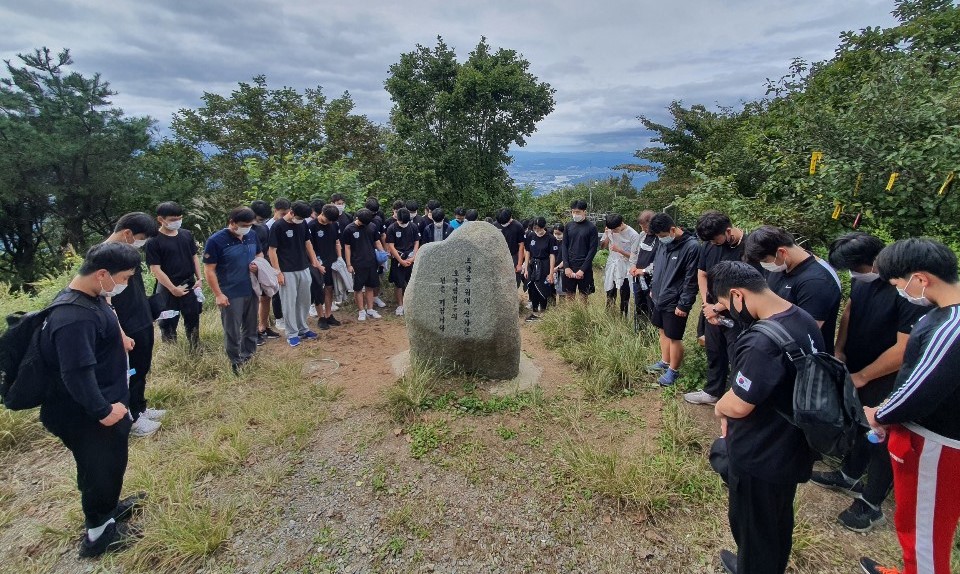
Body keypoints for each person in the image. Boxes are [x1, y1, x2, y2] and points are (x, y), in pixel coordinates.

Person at [807, 233, 928, 534]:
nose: (853, 276)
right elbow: (850, 312)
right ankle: (849, 474)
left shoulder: (908, 291)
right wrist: (840, 348)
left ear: (874, 262)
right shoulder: (864, 283)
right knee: (859, 422)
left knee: (881, 436)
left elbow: (904, 350)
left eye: (855, 269)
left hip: (887, 376)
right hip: (858, 365)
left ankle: (872, 503)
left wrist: (864, 375)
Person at [709, 261, 821, 574]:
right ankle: (752, 562)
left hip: (763, 453)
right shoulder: (801, 318)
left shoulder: (763, 341)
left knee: (754, 523)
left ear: (737, 295)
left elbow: (739, 404)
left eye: (725, 306)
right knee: (775, 522)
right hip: (791, 445)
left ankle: (754, 564)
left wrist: (720, 407)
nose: (728, 313)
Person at [859, 238, 960, 574]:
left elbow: (921, 388)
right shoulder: (944, 313)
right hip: (934, 438)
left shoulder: (950, 327)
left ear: (921, 278)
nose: (899, 290)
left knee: (925, 530)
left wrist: (879, 412)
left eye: (899, 283)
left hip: (936, 444)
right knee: (914, 520)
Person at [39, 242, 145, 557]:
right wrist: (102, 410)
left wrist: (117, 338)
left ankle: (109, 509)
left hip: (105, 403)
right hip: (87, 414)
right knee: (100, 467)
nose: (125, 282)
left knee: (109, 465)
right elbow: (75, 374)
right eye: (124, 276)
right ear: (102, 274)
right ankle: (98, 535)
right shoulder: (73, 317)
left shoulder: (90, 298)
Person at [103, 213, 164, 438]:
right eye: (141, 238)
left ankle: (141, 407)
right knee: (128, 373)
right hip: (125, 325)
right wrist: (119, 333)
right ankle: (131, 418)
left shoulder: (129, 253)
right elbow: (104, 299)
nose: (142, 243)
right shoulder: (102, 257)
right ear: (127, 233)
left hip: (142, 320)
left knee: (141, 368)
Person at [744, 225, 842, 354]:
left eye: (765, 260)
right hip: (776, 347)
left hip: (804, 359)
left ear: (782, 252)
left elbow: (806, 334)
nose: (764, 265)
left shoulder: (816, 282)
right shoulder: (780, 267)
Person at [684, 211, 748, 406]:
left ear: (728, 231)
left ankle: (738, 398)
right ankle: (713, 392)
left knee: (737, 355)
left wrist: (718, 307)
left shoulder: (749, 248)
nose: (713, 244)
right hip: (711, 310)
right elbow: (702, 274)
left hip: (737, 313)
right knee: (714, 351)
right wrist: (707, 304)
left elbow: (746, 286)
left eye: (717, 240)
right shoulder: (709, 245)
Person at [203, 208, 263, 373]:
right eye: (244, 225)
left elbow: (260, 254)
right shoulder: (216, 241)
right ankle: (235, 361)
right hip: (230, 291)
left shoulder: (252, 235)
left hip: (251, 287)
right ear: (232, 222)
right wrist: (218, 294)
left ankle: (249, 355)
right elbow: (209, 270)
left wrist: (257, 265)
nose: (247, 228)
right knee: (233, 330)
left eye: (250, 225)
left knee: (251, 326)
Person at [645, 213, 699, 386]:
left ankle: (673, 371)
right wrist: (654, 288)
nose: (661, 239)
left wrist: (684, 304)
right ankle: (665, 361)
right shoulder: (663, 243)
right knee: (662, 330)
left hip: (676, 301)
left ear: (673, 230)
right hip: (660, 296)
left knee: (674, 336)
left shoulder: (692, 247)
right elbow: (658, 266)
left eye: (662, 236)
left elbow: (692, 279)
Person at [145, 202, 203, 349]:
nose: (177, 221)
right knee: (168, 323)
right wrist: (172, 288)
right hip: (167, 288)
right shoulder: (153, 241)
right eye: (172, 219)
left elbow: (194, 256)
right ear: (161, 219)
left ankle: (195, 348)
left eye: (179, 218)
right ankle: (171, 353)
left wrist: (199, 278)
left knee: (193, 318)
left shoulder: (186, 234)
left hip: (189, 283)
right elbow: (155, 269)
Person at [268, 200, 321, 347]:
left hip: (303, 267)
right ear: (291, 212)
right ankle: (292, 334)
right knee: (289, 303)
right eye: (298, 218)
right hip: (286, 271)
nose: (300, 221)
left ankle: (303, 328)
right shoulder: (277, 226)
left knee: (304, 300)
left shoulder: (302, 223)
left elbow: (307, 243)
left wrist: (314, 261)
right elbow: (272, 251)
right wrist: (277, 272)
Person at [343, 208, 386, 321]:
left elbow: (377, 242)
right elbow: (347, 248)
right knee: (358, 288)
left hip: (372, 262)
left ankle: (370, 309)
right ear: (357, 218)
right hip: (357, 263)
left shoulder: (371, 226)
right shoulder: (349, 229)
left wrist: (383, 256)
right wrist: (348, 264)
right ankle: (361, 311)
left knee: (370, 287)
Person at [248, 200, 281, 345]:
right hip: (247, 269)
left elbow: (267, 249)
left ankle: (263, 327)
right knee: (252, 301)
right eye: (258, 219)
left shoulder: (263, 229)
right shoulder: (242, 228)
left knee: (266, 296)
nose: (259, 222)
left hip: (262, 266)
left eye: (262, 220)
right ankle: (252, 331)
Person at [308, 202, 343, 330]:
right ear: (321, 213)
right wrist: (317, 264)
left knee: (329, 288)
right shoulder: (311, 226)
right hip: (316, 263)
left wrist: (339, 258)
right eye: (327, 220)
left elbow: (337, 242)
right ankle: (321, 316)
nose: (329, 223)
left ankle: (329, 315)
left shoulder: (334, 225)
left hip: (331, 262)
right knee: (319, 290)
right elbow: (309, 248)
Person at [601, 213, 641, 317]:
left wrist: (620, 250)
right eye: (611, 230)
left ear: (621, 224)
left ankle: (624, 315)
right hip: (612, 264)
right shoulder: (609, 229)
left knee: (625, 293)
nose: (613, 232)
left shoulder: (633, 235)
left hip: (626, 267)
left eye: (615, 230)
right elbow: (602, 246)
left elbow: (634, 256)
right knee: (610, 291)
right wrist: (607, 236)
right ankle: (609, 313)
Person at [385, 207, 420, 317]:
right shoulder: (392, 228)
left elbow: (416, 242)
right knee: (399, 284)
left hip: (411, 257)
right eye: (401, 222)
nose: (403, 224)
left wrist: (414, 257)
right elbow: (391, 245)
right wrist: (400, 260)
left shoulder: (413, 227)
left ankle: (411, 304)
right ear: (397, 218)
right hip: (398, 258)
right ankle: (400, 305)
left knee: (411, 282)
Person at [561, 200, 599, 299]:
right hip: (570, 264)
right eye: (573, 212)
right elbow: (564, 246)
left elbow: (593, 250)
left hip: (584, 266)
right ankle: (571, 314)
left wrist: (582, 269)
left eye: (578, 212)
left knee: (584, 296)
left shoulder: (591, 228)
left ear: (584, 212)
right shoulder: (568, 226)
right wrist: (566, 266)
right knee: (569, 295)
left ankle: (582, 315)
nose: (575, 214)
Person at [522, 217, 557, 321]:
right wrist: (527, 267)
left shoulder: (550, 238)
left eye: (539, 229)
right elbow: (527, 251)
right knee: (532, 286)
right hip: (533, 263)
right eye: (535, 228)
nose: (537, 231)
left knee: (543, 286)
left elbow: (552, 256)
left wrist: (551, 273)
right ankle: (534, 308)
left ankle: (544, 309)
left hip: (545, 264)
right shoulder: (531, 235)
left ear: (544, 227)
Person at [629, 210, 657, 325]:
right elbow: (634, 252)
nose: (644, 230)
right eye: (642, 227)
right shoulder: (642, 236)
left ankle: (652, 331)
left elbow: (660, 261)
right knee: (639, 305)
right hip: (638, 279)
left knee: (651, 306)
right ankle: (640, 330)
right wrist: (633, 265)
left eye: (645, 227)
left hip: (652, 280)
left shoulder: (660, 238)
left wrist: (645, 270)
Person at [495, 208, 527, 289]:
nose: (503, 224)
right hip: (499, 255)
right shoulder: (495, 225)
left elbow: (521, 245)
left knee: (514, 279)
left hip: (513, 255)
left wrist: (519, 264)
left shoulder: (518, 226)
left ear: (510, 217)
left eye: (505, 222)